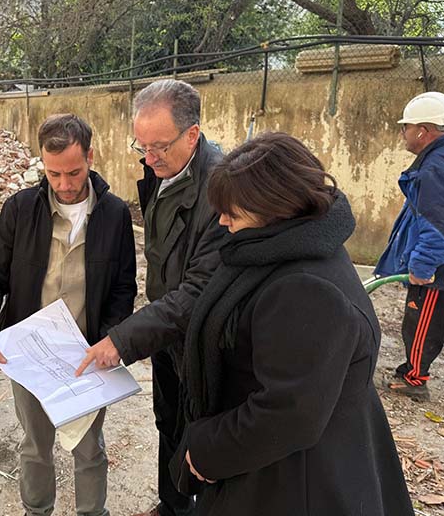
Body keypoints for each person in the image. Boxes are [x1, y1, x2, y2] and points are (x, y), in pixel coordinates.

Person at [173, 131, 413, 516]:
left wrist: (206, 450)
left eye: (233, 213)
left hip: (293, 483)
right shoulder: (291, 244)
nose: (222, 221)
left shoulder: (306, 290)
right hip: (278, 466)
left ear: (274, 208)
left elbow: (287, 412)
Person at [0, 114, 137, 516]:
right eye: (53, 173)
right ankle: (36, 510)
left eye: (73, 173)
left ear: (90, 157)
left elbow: (123, 287)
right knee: (35, 445)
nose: (63, 184)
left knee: (89, 448)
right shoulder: (20, 209)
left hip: (87, 354)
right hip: (29, 355)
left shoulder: (114, 214)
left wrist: (112, 339)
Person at [76, 80, 225, 516]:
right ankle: (171, 505)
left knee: (201, 437)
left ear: (192, 135)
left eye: (158, 146)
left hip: (199, 336)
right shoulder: (162, 169)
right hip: (166, 330)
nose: (148, 157)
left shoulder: (220, 190)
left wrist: (123, 340)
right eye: (141, 146)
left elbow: (198, 292)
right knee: (168, 420)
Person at [374, 91, 444, 401]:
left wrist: (423, 266)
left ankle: (414, 379)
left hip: (442, 265)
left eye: (407, 127)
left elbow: (442, 227)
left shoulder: (435, 169)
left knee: (421, 320)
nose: (403, 132)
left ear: (423, 131)